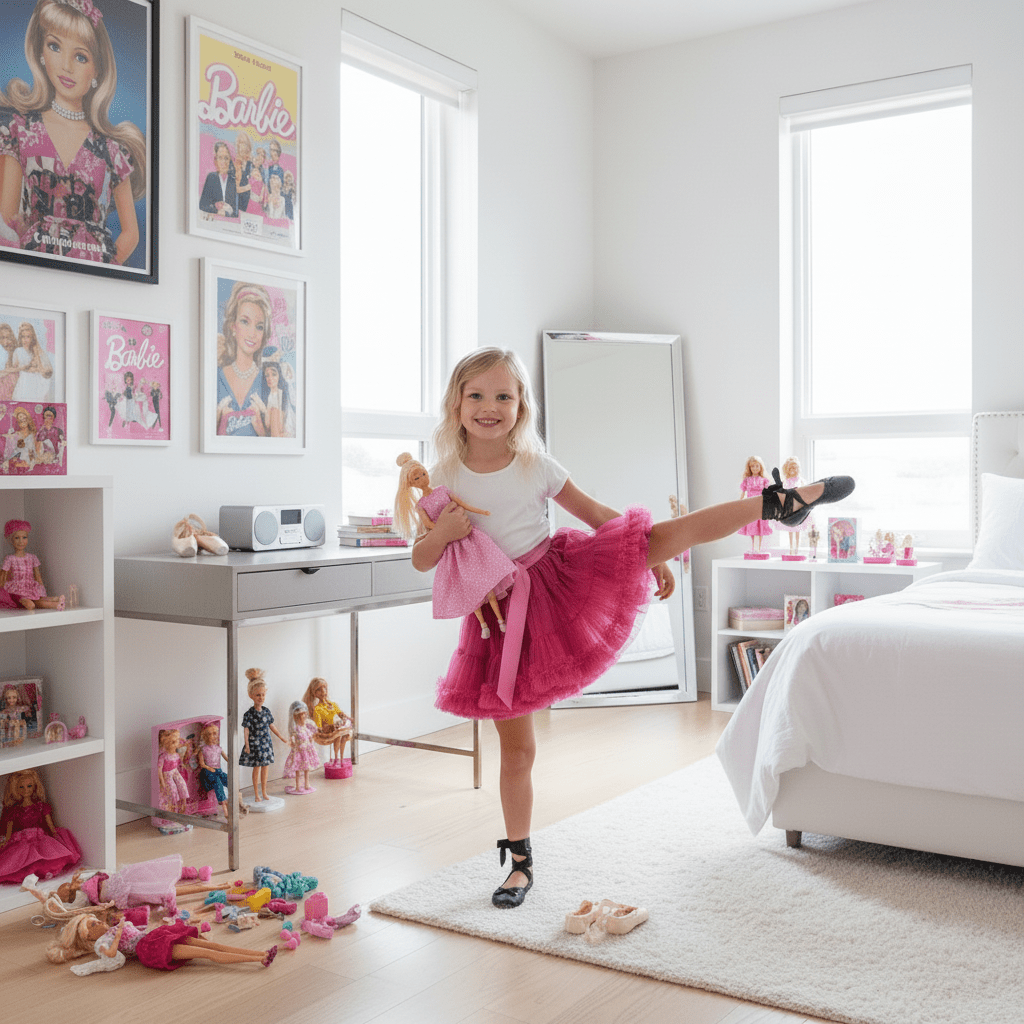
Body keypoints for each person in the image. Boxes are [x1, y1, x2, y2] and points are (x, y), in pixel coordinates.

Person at [411, 347, 854, 908]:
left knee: (665, 533)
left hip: (557, 580)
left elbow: (598, 516)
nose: (490, 407)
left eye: (504, 395)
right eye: (477, 395)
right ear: (456, 403)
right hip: (498, 620)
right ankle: (519, 862)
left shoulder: (537, 466)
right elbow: (422, 560)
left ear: (522, 406)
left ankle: (773, 502)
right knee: (517, 752)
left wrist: (646, 556)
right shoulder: (442, 476)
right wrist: (445, 531)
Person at [0, 0, 146, 265]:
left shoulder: (112, 149)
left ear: (97, 71)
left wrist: (107, 266)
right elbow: (7, 218)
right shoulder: (20, 130)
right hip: (35, 265)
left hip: (94, 274)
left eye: (81, 56)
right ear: (41, 52)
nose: (66, 66)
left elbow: (131, 233)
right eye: (55, 46)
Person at [394, 451, 515, 638]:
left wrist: (480, 511)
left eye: (422, 474)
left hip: (474, 544)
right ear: (411, 484)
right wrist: (442, 531)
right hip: (455, 550)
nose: (422, 479)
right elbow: (422, 549)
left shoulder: (442, 488)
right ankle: (484, 625)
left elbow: (463, 504)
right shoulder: (423, 503)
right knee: (471, 593)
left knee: (488, 589)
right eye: (416, 478)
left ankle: (499, 620)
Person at [48, 913, 277, 972]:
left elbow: (138, 928)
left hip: (155, 936)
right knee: (205, 954)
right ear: (87, 937)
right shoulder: (104, 941)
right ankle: (259, 959)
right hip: (150, 948)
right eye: (91, 925)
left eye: (95, 920)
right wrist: (117, 934)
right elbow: (110, 955)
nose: (98, 922)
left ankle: (260, 953)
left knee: (211, 946)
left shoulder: (113, 927)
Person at [0, 768, 82, 884]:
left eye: (29, 786)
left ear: (34, 787)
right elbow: (9, 832)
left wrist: (55, 834)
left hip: (40, 838)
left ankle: (43, 872)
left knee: (44, 856)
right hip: (21, 841)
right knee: (21, 860)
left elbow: (50, 825)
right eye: (21, 787)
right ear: (15, 789)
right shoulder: (14, 811)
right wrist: (5, 841)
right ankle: (28, 875)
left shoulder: (40, 806)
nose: (26, 790)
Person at [215, 281, 272, 437]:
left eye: (259, 326)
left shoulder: (268, 380)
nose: (252, 333)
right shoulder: (215, 377)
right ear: (233, 327)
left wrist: (261, 429)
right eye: (245, 322)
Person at [239, 668, 287, 803]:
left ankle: (264, 791)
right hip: (255, 744)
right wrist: (247, 745)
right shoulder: (249, 714)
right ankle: (256, 793)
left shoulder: (266, 711)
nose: (261, 698)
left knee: (266, 768)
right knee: (257, 768)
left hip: (266, 743)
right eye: (258, 695)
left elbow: (272, 726)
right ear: (251, 695)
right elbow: (246, 730)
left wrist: (281, 737)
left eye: (263, 695)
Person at [1, 517, 65, 609]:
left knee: (38, 602)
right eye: (17, 538)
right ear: (11, 540)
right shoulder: (9, 559)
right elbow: (3, 578)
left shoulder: (32, 557)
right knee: (31, 604)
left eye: (24, 537)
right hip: (16, 591)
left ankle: (57, 603)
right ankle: (54, 601)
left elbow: (38, 577)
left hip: (31, 588)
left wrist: (41, 589)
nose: (21, 541)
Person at [300, 676, 352, 769]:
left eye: (324, 688)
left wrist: (346, 719)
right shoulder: (318, 709)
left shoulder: (332, 705)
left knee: (343, 736)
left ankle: (341, 758)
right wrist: (327, 727)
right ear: (314, 693)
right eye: (319, 689)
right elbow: (319, 726)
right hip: (328, 731)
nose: (323, 691)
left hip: (336, 728)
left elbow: (341, 714)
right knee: (338, 736)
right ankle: (336, 758)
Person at [283, 700, 320, 795]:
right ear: (296, 717)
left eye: (304, 714)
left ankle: (307, 784)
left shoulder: (306, 728)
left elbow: (310, 737)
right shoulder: (296, 729)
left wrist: (311, 739)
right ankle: (298, 785)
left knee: (307, 768)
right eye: (301, 715)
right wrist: (294, 743)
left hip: (306, 751)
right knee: (298, 769)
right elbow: (293, 739)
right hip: (299, 752)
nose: (304, 717)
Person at [10, 321, 53, 402]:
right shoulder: (18, 351)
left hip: (36, 384)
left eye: (28, 337)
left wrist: (36, 354)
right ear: (20, 337)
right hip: (23, 384)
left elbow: (46, 372)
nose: (25, 340)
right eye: (23, 337)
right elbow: (15, 370)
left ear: (32, 337)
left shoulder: (38, 351)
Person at [738, 455, 773, 553]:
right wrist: (740, 504)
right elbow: (743, 494)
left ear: (760, 467)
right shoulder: (747, 480)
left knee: (760, 526)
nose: (755, 468)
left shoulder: (764, 480)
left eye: (757, 466)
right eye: (752, 466)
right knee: (752, 526)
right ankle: (754, 547)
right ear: (749, 468)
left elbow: (768, 494)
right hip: (750, 505)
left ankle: (758, 548)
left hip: (761, 505)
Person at [197, 721, 229, 820]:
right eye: (210, 734)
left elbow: (226, 758)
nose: (213, 736)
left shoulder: (218, 748)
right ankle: (224, 807)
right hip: (208, 772)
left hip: (218, 771)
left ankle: (233, 800)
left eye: (215, 734)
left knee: (228, 779)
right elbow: (202, 764)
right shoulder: (203, 749)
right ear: (206, 736)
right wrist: (209, 768)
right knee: (217, 783)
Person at [198, 140, 237, 217]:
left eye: (226, 158)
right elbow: (202, 205)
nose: (223, 162)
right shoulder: (211, 177)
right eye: (220, 158)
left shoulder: (234, 180)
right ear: (216, 160)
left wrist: (226, 213)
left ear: (230, 160)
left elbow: (237, 211)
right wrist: (217, 211)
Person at [156, 728, 189, 815]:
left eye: (176, 741)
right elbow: (159, 770)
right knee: (172, 788)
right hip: (167, 774)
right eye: (173, 743)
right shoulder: (163, 756)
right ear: (167, 744)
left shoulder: (176, 754)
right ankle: (173, 807)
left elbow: (184, 744)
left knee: (182, 784)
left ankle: (184, 804)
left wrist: (181, 741)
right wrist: (162, 781)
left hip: (175, 771)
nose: (176, 744)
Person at [232, 131, 253, 213]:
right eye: (240, 143)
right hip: (237, 201)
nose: (241, 145)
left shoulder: (251, 162)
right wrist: (247, 187)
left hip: (250, 202)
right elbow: (233, 188)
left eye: (244, 143)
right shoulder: (235, 163)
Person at [0, 322, 18, 401]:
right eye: (2, 338)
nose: (5, 342)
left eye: (8, 337)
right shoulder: (5, 354)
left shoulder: (17, 353)